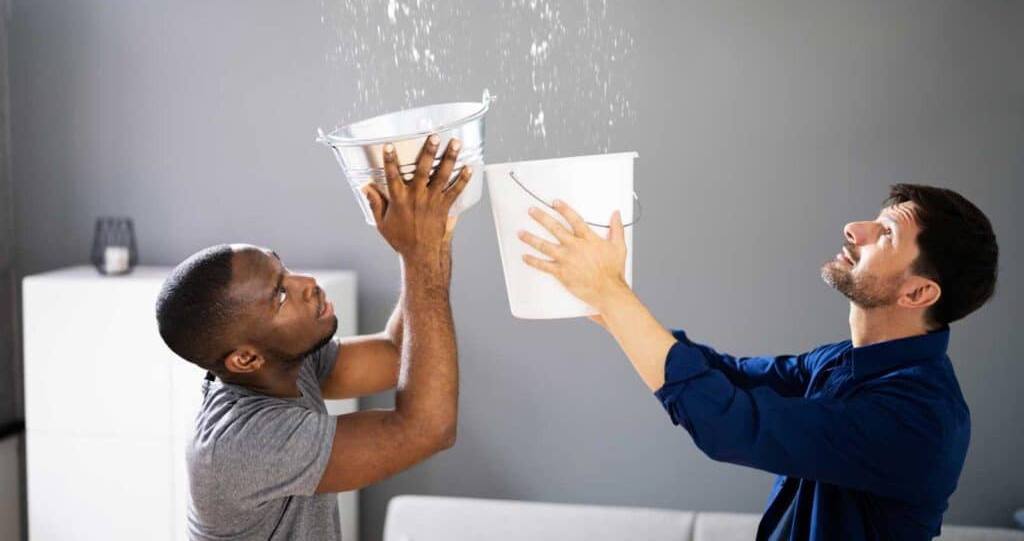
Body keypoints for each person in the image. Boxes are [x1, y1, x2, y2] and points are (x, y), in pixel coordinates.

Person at [518, 184, 998, 540]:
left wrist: (614, 297)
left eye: (886, 233)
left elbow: (731, 423)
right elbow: (731, 378)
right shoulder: (843, 362)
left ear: (918, 292)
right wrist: (611, 307)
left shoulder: (920, 419)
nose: (855, 229)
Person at [155, 135, 471, 541]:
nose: (307, 284)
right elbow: (428, 429)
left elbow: (396, 354)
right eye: (280, 295)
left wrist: (430, 233)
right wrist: (420, 253)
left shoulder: (283, 364)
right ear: (246, 359)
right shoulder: (242, 447)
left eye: (284, 270)